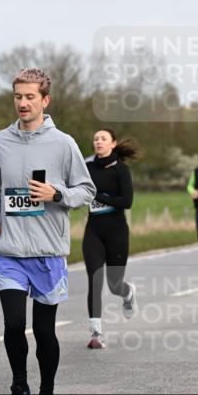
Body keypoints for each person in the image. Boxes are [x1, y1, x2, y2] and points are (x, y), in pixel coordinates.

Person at [0, 68, 95, 395]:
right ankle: (20, 388)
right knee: (14, 325)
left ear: (45, 100)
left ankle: (48, 394)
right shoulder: (0, 141)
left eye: (30, 96)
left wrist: (56, 194)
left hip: (48, 253)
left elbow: (87, 191)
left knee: (44, 331)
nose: (23, 103)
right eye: (18, 96)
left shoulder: (63, 143)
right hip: (11, 251)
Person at [83, 129, 139, 349]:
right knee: (95, 279)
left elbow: (127, 201)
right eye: (95, 138)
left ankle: (128, 293)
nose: (98, 141)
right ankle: (96, 333)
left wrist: (98, 196)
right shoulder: (87, 169)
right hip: (93, 230)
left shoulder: (121, 170)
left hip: (116, 231)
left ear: (113, 144)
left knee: (114, 285)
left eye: (103, 139)